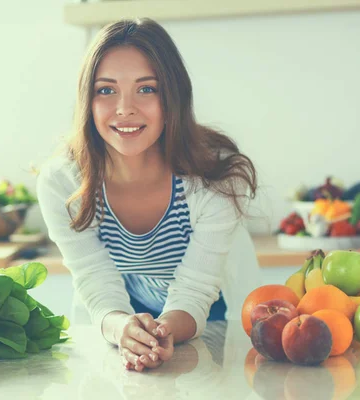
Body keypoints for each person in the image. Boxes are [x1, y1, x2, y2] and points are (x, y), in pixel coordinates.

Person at [36, 17, 260, 372]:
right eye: (106, 90)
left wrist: (161, 332)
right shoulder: (63, 181)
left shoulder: (216, 176)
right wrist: (122, 326)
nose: (125, 108)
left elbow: (197, 288)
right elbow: (94, 278)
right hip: (116, 308)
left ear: (173, 96)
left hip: (208, 309)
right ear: (87, 100)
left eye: (147, 89)